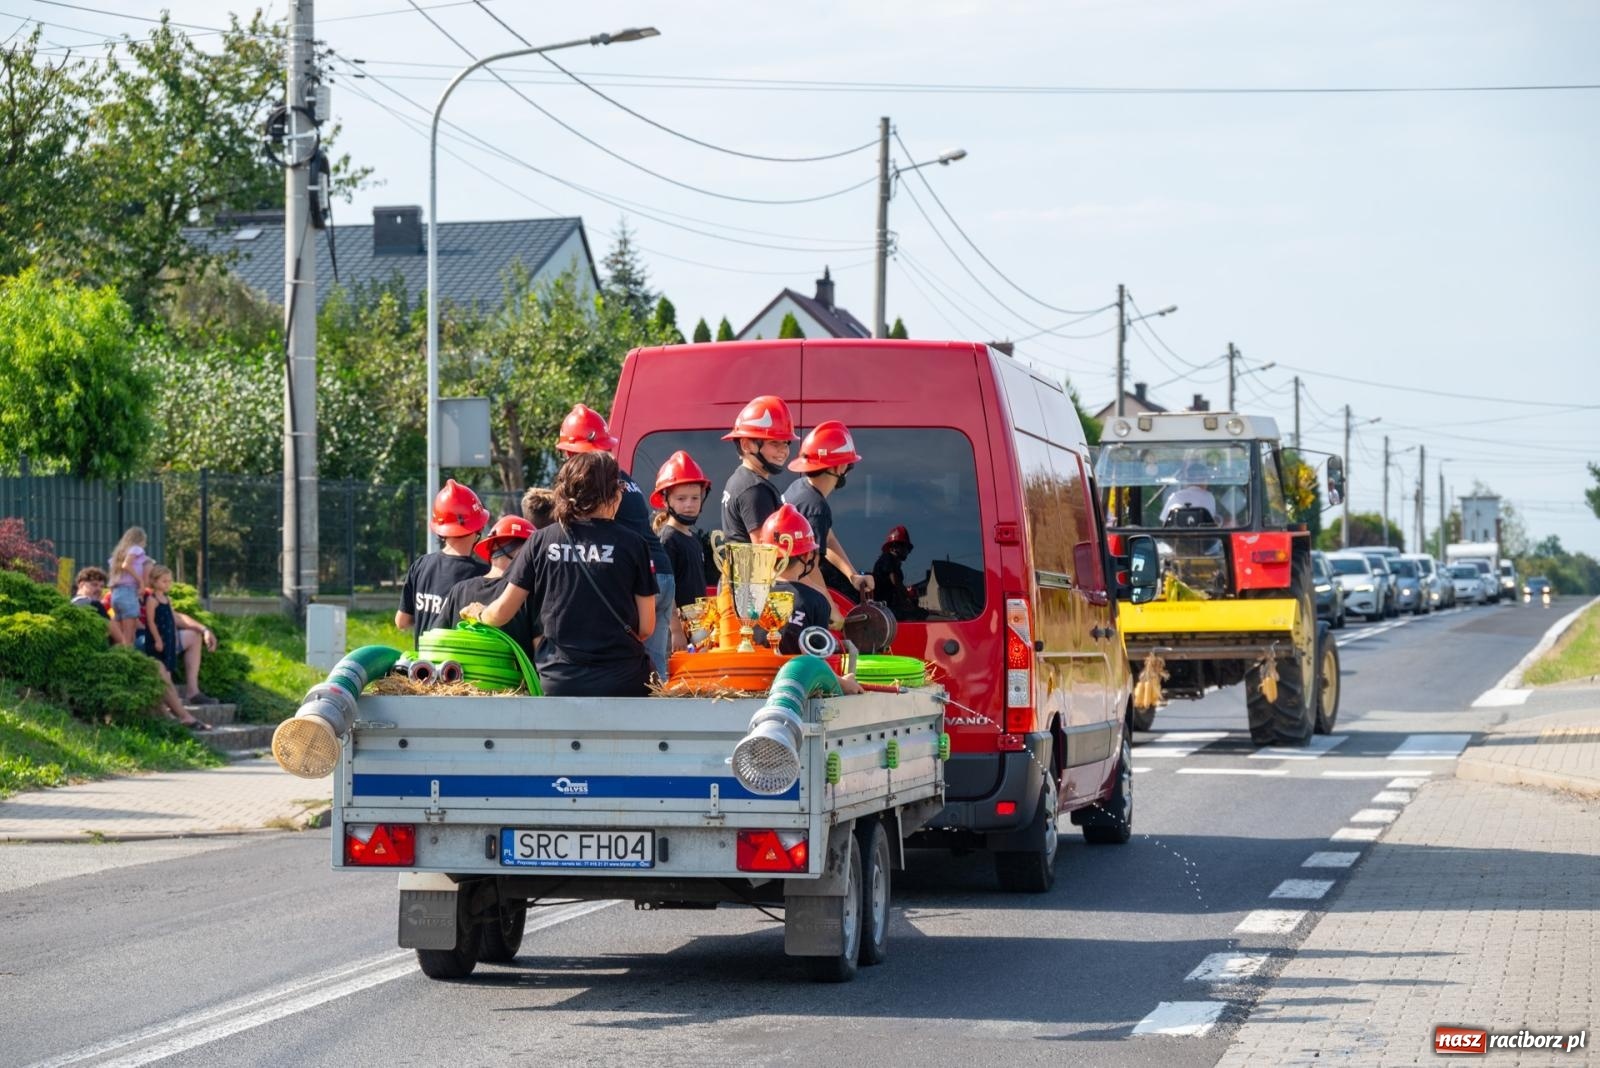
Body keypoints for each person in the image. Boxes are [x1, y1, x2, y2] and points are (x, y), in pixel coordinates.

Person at [466, 451, 657, 697]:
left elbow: (502, 612)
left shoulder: (541, 541)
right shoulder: (634, 544)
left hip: (559, 681)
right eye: (618, 485)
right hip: (622, 681)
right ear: (609, 494)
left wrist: (479, 614)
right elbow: (646, 628)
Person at [555, 404, 682, 678]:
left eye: (568, 455)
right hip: (660, 573)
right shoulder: (623, 480)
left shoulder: (598, 487)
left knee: (626, 662)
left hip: (640, 580)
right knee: (654, 664)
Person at [782, 420, 874, 602]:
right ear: (839, 467)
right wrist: (830, 608)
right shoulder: (816, 508)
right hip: (795, 595)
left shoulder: (799, 487)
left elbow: (827, 538)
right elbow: (811, 568)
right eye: (848, 465)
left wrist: (852, 575)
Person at [396, 479, 490, 648]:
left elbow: (402, 621)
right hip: (461, 671)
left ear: (441, 530)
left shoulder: (421, 566)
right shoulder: (484, 575)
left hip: (422, 670)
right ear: (478, 527)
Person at [438, 514, 540, 654]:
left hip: (460, 676)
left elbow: (438, 640)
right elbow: (542, 653)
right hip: (515, 676)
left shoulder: (459, 590)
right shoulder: (526, 594)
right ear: (523, 553)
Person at [756, 504, 840, 654]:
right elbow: (819, 659)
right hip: (799, 677)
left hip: (756, 676)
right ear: (807, 555)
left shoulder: (751, 597)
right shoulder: (816, 601)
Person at [719, 394, 796, 543]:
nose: (783, 451)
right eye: (774, 443)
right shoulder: (755, 490)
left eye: (786, 443)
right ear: (746, 445)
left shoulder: (740, 480)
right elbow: (766, 553)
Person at [650, 450, 711, 609]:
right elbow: (666, 593)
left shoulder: (694, 538)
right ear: (665, 500)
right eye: (681, 498)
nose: (689, 504)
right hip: (677, 631)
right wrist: (676, 631)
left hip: (697, 625)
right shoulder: (668, 540)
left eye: (695, 498)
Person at [107, 526, 150, 647]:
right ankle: (130, 661)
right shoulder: (136, 549)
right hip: (128, 592)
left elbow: (114, 576)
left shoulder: (118, 555)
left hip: (116, 594)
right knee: (129, 638)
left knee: (120, 638)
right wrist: (140, 581)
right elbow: (126, 565)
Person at [139, 564, 180, 679]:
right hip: (158, 638)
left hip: (168, 637)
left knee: (168, 666)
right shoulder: (152, 600)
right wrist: (158, 640)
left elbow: (172, 619)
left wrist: (175, 635)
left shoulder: (167, 599)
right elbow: (150, 622)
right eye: (164, 581)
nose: (168, 584)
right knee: (160, 666)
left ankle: (169, 692)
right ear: (155, 581)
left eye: (169, 581)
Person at [873, 525, 922, 620]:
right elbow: (896, 583)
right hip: (883, 610)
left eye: (908, 549)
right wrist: (907, 600)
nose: (907, 551)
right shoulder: (887, 558)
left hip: (888, 608)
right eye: (905, 547)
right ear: (894, 546)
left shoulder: (896, 566)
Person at [1160, 459, 1219, 525]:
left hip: (1177, 534)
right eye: (1207, 479)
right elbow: (1211, 524)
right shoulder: (1209, 497)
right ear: (1204, 480)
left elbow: (1164, 523)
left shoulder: (1175, 496)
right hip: (1201, 535)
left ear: (1187, 480)